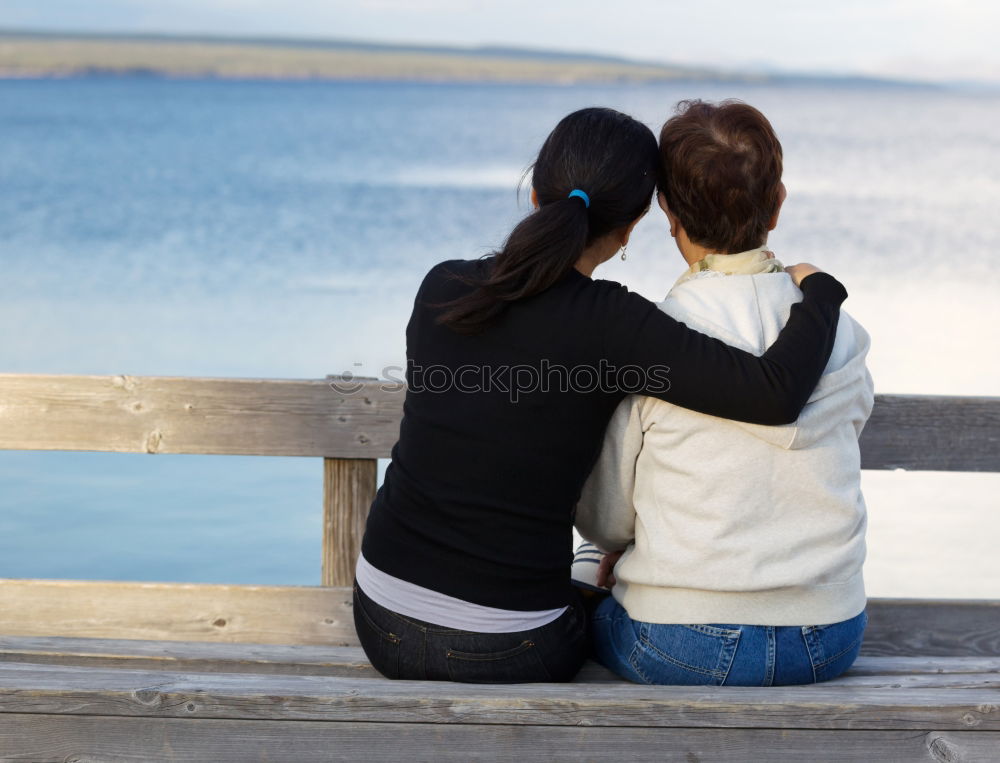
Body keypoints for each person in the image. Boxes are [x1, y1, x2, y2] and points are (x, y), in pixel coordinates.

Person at [353, 106, 850, 684]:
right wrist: (822, 294)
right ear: (632, 226)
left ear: (536, 194)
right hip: (515, 645)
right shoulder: (615, 325)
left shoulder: (444, 285)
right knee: (599, 581)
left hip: (379, 619)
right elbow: (774, 395)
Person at [575, 100, 874, 686]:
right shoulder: (841, 333)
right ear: (778, 202)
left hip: (682, 640)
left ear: (666, 209)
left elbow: (607, 522)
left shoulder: (655, 336)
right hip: (829, 637)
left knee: (586, 586)